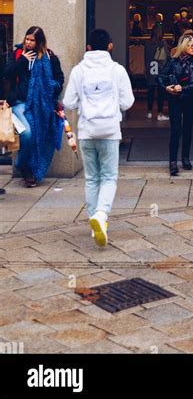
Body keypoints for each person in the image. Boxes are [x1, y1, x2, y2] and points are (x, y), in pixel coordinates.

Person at [63, 28, 134, 247]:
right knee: (109, 177)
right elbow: (127, 102)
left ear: (88, 47)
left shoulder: (79, 70)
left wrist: (84, 105)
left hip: (87, 131)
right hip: (110, 131)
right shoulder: (117, 70)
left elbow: (69, 102)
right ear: (110, 46)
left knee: (92, 178)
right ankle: (101, 216)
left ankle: (95, 221)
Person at [4, 26, 64, 188]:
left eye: (32, 40)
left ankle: (31, 169)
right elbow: (7, 74)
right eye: (27, 39)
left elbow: (59, 78)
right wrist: (22, 60)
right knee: (28, 133)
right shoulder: (18, 54)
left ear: (39, 42)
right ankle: (23, 166)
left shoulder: (49, 57)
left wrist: (51, 87)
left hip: (41, 104)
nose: (28, 43)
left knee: (39, 133)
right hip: (20, 102)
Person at [158, 33, 193, 176]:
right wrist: (167, 88)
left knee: (187, 129)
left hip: (189, 99)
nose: (192, 47)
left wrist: (183, 88)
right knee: (175, 130)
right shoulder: (173, 62)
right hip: (175, 100)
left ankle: (185, 158)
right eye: (189, 45)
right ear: (183, 46)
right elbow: (160, 77)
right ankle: (172, 162)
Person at [144, 26, 169, 121]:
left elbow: (145, 57)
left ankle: (149, 112)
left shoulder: (147, 43)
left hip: (150, 69)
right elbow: (167, 56)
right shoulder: (162, 43)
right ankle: (160, 113)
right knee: (160, 93)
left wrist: (145, 68)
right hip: (160, 70)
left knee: (150, 92)